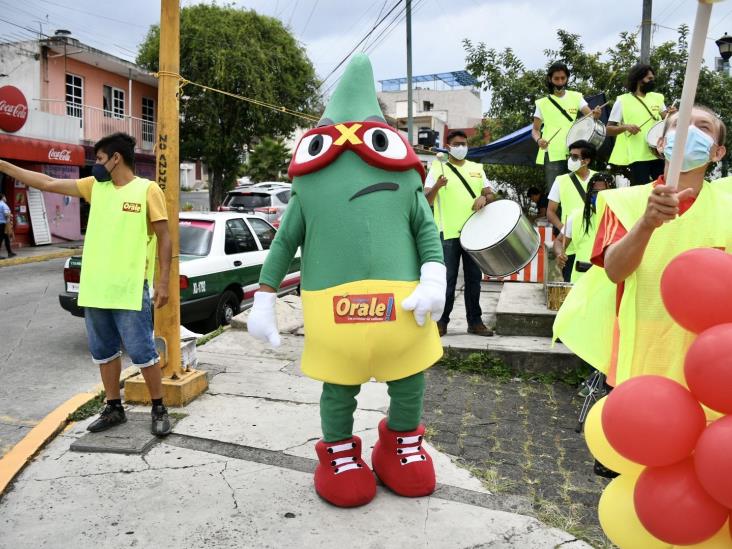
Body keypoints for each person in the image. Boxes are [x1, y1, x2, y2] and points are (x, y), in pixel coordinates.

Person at [247, 54, 445, 508]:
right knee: (339, 390)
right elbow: (282, 246)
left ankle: (399, 445)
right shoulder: (308, 189)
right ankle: (338, 453)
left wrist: (434, 279)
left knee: (409, 384)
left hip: (403, 313)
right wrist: (263, 297)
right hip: (338, 320)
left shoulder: (407, 184)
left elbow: (426, 233)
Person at [0, 133, 173, 436]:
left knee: (143, 352)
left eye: (101, 158)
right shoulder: (95, 187)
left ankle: (159, 407)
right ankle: (113, 407)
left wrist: (163, 283)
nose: (97, 164)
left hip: (129, 289)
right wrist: (5, 165)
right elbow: (46, 183)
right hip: (95, 288)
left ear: (115, 158)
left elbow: (165, 237)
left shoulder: (147, 189)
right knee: (104, 352)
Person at [554, 105, 732, 394]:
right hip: (641, 354)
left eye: (703, 127)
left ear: (717, 153)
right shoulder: (622, 202)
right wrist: (647, 223)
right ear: (661, 144)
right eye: (680, 124)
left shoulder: (728, 207)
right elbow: (615, 270)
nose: (689, 131)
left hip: (710, 362)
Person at [424, 129, 496, 337]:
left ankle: (475, 322)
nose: (461, 147)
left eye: (464, 144)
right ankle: (441, 322)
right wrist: (438, 185)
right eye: (457, 144)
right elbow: (427, 199)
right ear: (448, 147)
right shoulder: (438, 166)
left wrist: (485, 198)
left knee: (474, 279)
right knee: (447, 280)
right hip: (448, 233)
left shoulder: (477, 168)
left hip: (474, 233)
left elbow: (490, 193)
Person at [531, 62, 601, 192]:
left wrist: (596, 114)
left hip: (575, 152)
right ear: (550, 79)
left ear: (567, 78)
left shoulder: (576, 96)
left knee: (578, 190)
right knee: (555, 193)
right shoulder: (542, 103)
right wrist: (538, 140)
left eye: (563, 78)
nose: (560, 81)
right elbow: (535, 130)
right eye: (556, 78)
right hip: (552, 153)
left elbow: (591, 116)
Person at [606, 63, 676, 185]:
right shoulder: (622, 100)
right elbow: (608, 129)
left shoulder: (658, 97)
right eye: (649, 78)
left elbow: (666, 117)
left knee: (662, 188)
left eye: (653, 78)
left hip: (658, 153)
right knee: (641, 191)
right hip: (636, 157)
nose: (652, 81)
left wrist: (672, 114)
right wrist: (625, 127)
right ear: (639, 79)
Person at [546, 140, 597, 281]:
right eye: (570, 156)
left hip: (594, 245)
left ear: (586, 160)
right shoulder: (560, 180)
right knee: (571, 288)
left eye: (575, 157)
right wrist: (565, 230)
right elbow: (550, 211)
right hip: (569, 246)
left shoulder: (599, 179)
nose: (570, 159)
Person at [554, 172, 614, 283]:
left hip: (609, 284)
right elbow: (558, 241)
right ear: (590, 194)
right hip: (580, 282)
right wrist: (559, 254)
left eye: (604, 192)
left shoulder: (620, 217)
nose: (599, 196)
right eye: (595, 192)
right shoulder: (577, 216)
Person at [0, 192, 15, 258]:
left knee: (6, 239)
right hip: (4, 224)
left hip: (1, 224)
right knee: (0, 239)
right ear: (3, 198)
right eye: (5, 197)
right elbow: (6, 214)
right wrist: (10, 216)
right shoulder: (4, 205)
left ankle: (10, 252)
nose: (6, 198)